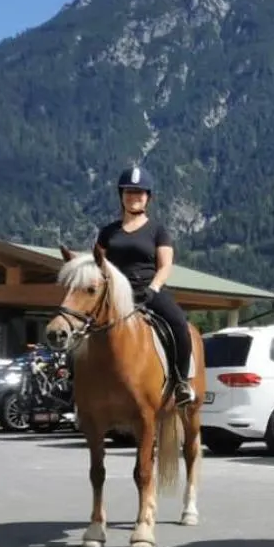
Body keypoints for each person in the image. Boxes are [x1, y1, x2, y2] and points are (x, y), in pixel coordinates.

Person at [94, 165, 196, 408]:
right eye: (129, 192)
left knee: (180, 325)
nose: (134, 197)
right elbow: (98, 266)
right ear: (121, 195)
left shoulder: (158, 231)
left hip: (149, 291)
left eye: (139, 193)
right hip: (116, 294)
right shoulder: (107, 232)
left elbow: (165, 265)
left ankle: (181, 382)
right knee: (83, 327)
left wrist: (153, 288)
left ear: (148, 197)